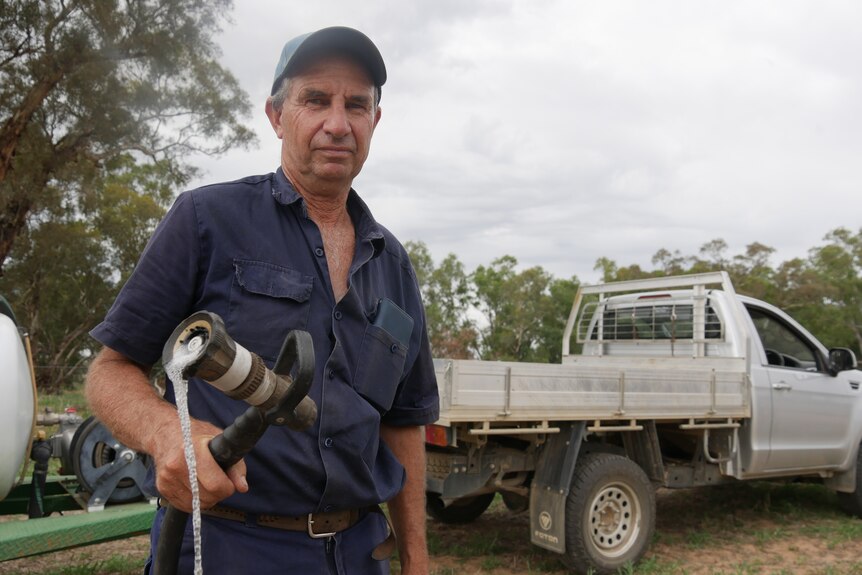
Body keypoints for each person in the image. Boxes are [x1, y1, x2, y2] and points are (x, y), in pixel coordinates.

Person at [86, 26, 439, 575]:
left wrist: (416, 560)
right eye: (315, 100)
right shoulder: (207, 220)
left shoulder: (392, 262)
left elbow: (402, 424)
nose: (337, 123)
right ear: (276, 116)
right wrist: (167, 434)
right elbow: (110, 371)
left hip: (360, 552)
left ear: (375, 120)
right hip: (228, 546)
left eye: (357, 105)